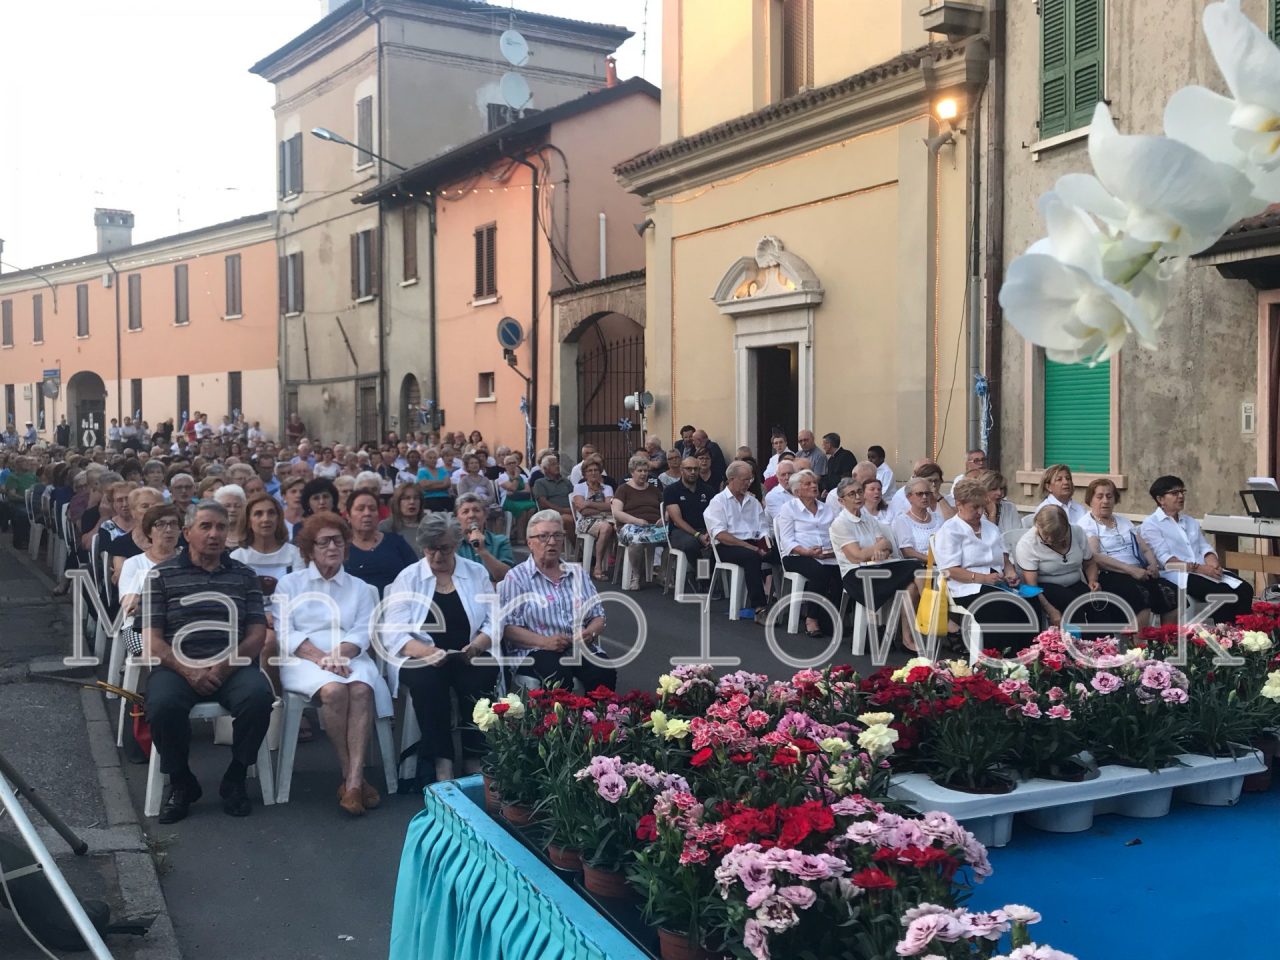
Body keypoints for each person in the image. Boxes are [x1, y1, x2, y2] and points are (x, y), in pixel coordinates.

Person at [142, 501, 275, 822]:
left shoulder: (243, 575)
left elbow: (257, 633)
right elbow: (152, 639)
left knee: (259, 697)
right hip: (177, 666)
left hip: (233, 664)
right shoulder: (161, 575)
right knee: (161, 706)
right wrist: (188, 670)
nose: (214, 534)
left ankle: (236, 776)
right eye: (205, 527)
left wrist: (223, 667)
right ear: (187, 533)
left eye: (220, 527)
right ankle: (181, 781)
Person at [274, 512, 387, 815]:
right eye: (324, 542)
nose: (332, 547)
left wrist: (340, 653)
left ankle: (352, 783)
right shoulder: (289, 585)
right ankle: (353, 777)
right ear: (310, 549)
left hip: (349, 655)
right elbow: (286, 632)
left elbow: (363, 629)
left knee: (363, 688)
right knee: (335, 691)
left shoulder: (360, 588)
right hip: (304, 659)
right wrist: (322, 658)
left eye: (338, 541)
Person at [381, 514, 499, 784]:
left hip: (468, 652)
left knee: (482, 676)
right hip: (421, 656)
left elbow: (495, 620)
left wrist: (479, 644)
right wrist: (427, 652)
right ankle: (441, 762)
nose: (436, 555)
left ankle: (474, 757)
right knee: (428, 683)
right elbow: (393, 632)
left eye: (444, 548)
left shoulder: (476, 572)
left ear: (457, 544)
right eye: (430, 548)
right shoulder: (408, 578)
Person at [499, 510, 616, 691]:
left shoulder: (577, 573)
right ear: (530, 542)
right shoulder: (517, 578)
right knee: (558, 676)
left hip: (576, 647)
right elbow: (508, 629)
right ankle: (558, 720)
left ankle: (594, 717)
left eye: (557, 535)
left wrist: (590, 633)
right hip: (536, 650)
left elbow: (598, 616)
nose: (552, 542)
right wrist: (544, 642)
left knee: (603, 671)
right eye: (543, 536)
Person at [1140, 474, 1255, 624]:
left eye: (1182, 492)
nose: (1181, 496)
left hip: (1203, 569)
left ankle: (1243, 635)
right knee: (1222, 594)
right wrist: (1200, 569)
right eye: (1174, 493)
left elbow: (1204, 546)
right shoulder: (1151, 524)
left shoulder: (1189, 521)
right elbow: (1167, 561)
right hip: (1178, 574)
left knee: (1245, 589)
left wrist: (1213, 563)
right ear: (1160, 499)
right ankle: (1224, 637)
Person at [934, 478, 1032, 653]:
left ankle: (1028, 659)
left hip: (995, 582)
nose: (980, 512)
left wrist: (1010, 573)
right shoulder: (950, 531)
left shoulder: (990, 528)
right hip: (966, 587)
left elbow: (1004, 558)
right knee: (1002, 607)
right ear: (959, 504)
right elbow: (950, 570)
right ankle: (999, 660)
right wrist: (983, 578)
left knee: (1030, 603)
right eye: (975, 507)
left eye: (982, 506)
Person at [829, 477, 922, 651]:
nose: (858, 496)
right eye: (852, 494)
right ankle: (930, 616)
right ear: (841, 501)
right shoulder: (840, 524)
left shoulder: (867, 516)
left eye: (859, 492)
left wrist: (881, 551)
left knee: (913, 584)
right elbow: (857, 556)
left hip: (878, 567)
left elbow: (885, 545)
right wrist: (877, 548)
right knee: (915, 567)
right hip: (856, 575)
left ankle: (906, 637)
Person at [1080, 478, 1173, 631]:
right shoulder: (1086, 524)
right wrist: (1130, 570)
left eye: (1109, 496)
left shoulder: (1123, 522)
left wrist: (1153, 565)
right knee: (1141, 597)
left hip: (1138, 572)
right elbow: (1095, 557)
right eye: (1099, 496)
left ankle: (1169, 647)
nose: (1105, 501)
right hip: (1111, 574)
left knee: (1171, 593)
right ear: (1090, 500)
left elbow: (1144, 549)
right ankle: (1139, 650)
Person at [1015, 505, 1111, 631]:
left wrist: (1093, 580)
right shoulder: (1028, 543)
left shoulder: (1076, 532)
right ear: (1038, 526)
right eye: (1045, 535)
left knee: (1098, 603)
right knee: (1073, 604)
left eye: (1055, 536)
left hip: (1074, 582)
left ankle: (1103, 645)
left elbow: (1089, 563)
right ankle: (1078, 646)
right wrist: (1051, 610)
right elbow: (1030, 586)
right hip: (1044, 587)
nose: (1049, 539)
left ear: (1066, 529)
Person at [704, 461, 776, 620]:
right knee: (751, 557)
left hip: (753, 542)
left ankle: (790, 604)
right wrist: (750, 547)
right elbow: (720, 534)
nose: (748, 484)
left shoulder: (753, 502)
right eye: (744, 480)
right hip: (727, 546)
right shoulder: (718, 502)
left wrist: (765, 542)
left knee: (782, 556)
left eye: (750, 480)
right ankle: (759, 607)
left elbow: (763, 527)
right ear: (731, 479)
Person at [775, 469, 842, 637]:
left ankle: (829, 619)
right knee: (819, 573)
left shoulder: (826, 508)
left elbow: (836, 534)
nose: (814, 486)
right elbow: (787, 540)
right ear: (797, 491)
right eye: (808, 484)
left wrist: (832, 552)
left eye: (814, 483)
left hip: (826, 555)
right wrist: (806, 552)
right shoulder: (788, 509)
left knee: (844, 574)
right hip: (796, 556)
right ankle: (811, 618)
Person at [117, 504, 184, 655]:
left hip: (185, 625)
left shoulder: (191, 560)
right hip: (140, 627)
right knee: (154, 650)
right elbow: (130, 607)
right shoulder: (134, 564)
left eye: (173, 524)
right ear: (149, 531)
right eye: (160, 524)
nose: (168, 529)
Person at [342, 489, 417, 595]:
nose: (367, 513)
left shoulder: (396, 542)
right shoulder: (341, 548)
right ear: (348, 516)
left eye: (372, 509)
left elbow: (415, 574)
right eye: (360, 509)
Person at [611, 455, 666, 591]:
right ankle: (636, 575)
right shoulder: (623, 489)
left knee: (673, 537)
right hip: (630, 525)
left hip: (654, 526)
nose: (643, 474)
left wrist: (664, 518)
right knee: (636, 540)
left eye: (646, 471)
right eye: (640, 471)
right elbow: (617, 512)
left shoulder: (654, 490)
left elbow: (666, 507)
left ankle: (663, 574)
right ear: (632, 472)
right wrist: (637, 521)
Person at [231, 493, 302, 585]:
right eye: (258, 514)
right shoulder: (237, 558)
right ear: (248, 521)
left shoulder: (294, 554)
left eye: (271, 513)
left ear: (278, 519)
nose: (266, 519)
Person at [109, 486, 165, 583]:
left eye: (156, 506)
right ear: (133, 512)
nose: (151, 511)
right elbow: (121, 579)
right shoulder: (121, 543)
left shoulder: (175, 539)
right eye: (145, 506)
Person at [572, 458, 615, 580]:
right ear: (584, 474)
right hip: (585, 522)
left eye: (596, 470)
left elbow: (611, 507)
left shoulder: (607, 488)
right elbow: (582, 510)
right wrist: (602, 508)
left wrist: (589, 503)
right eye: (589, 470)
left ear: (600, 472)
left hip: (607, 519)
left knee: (613, 527)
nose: (593, 473)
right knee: (606, 527)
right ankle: (598, 566)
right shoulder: (579, 488)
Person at [455, 493, 514, 582]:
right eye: (465, 512)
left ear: (485, 515)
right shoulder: (452, 545)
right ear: (457, 518)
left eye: (476, 510)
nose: (471, 515)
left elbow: (508, 578)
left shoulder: (501, 541)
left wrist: (482, 551)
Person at [891, 477, 945, 564]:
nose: (924, 497)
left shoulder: (938, 518)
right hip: (919, 567)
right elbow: (907, 551)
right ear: (909, 497)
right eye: (919, 494)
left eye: (927, 493)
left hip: (943, 563)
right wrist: (932, 560)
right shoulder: (903, 520)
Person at [533, 454, 576, 547]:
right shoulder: (540, 483)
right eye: (553, 464)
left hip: (571, 511)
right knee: (567, 519)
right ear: (546, 468)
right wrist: (563, 510)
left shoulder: (566, 482)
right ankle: (579, 549)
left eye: (557, 463)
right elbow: (543, 503)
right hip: (552, 514)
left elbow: (574, 496)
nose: (557, 466)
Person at [213, 485, 247, 550]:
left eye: (237, 506)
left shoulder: (251, 533)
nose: (232, 510)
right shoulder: (213, 534)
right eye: (227, 506)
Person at [280, 476, 306, 541]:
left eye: (302, 491)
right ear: (284, 496)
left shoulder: (312, 518)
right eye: (293, 491)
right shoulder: (278, 519)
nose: (298, 495)